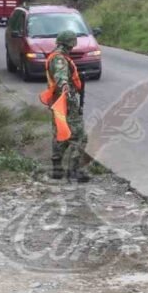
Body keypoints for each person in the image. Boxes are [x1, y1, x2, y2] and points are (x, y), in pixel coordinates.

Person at [43, 30, 90, 182]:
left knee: (60, 133)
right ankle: (74, 171)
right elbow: (60, 75)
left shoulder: (56, 56)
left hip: (58, 101)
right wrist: (65, 86)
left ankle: (57, 169)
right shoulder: (60, 59)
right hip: (66, 101)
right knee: (80, 136)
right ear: (71, 43)